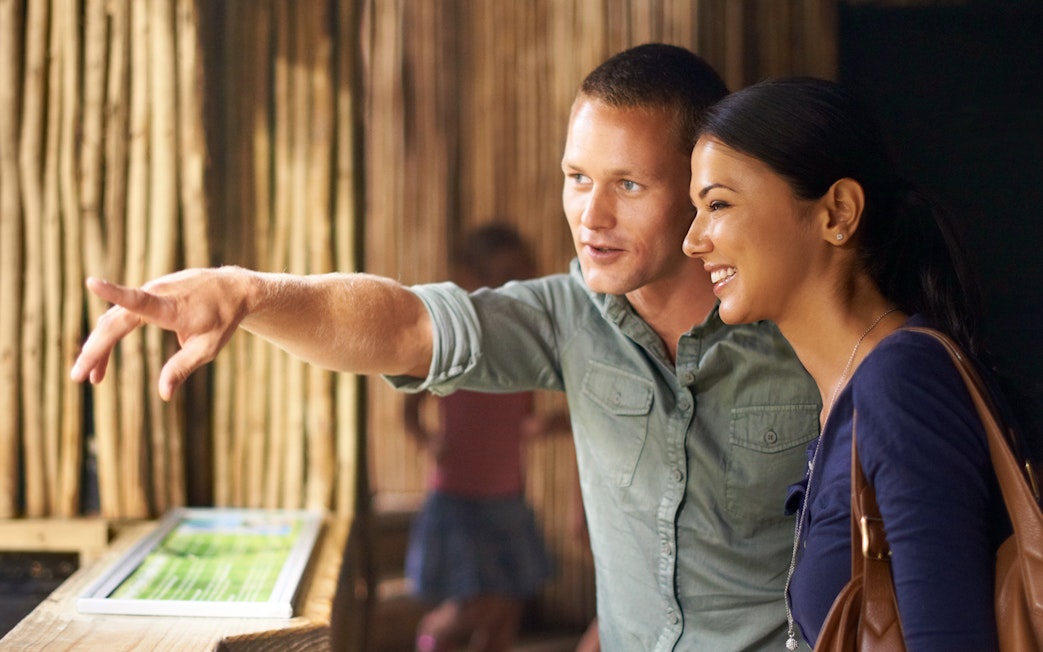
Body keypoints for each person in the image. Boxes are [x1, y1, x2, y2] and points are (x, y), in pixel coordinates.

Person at [70, 44, 822, 651]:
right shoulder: (565, 314)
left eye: (627, 184)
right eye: (575, 177)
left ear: (700, 185)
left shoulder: (807, 330)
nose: (590, 214)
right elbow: (401, 324)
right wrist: (249, 292)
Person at [682, 76, 1009, 650]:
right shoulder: (852, 388)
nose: (693, 240)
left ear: (837, 211)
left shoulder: (902, 383)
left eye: (718, 204)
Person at [401, 223, 555, 652]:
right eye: (504, 273)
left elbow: (523, 420)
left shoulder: (527, 350)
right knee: (474, 605)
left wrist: (563, 424)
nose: (515, 284)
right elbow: (411, 407)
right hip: (461, 498)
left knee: (506, 610)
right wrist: (428, 440)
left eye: (523, 274)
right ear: (471, 276)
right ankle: (432, 636)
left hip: (507, 498)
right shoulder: (454, 347)